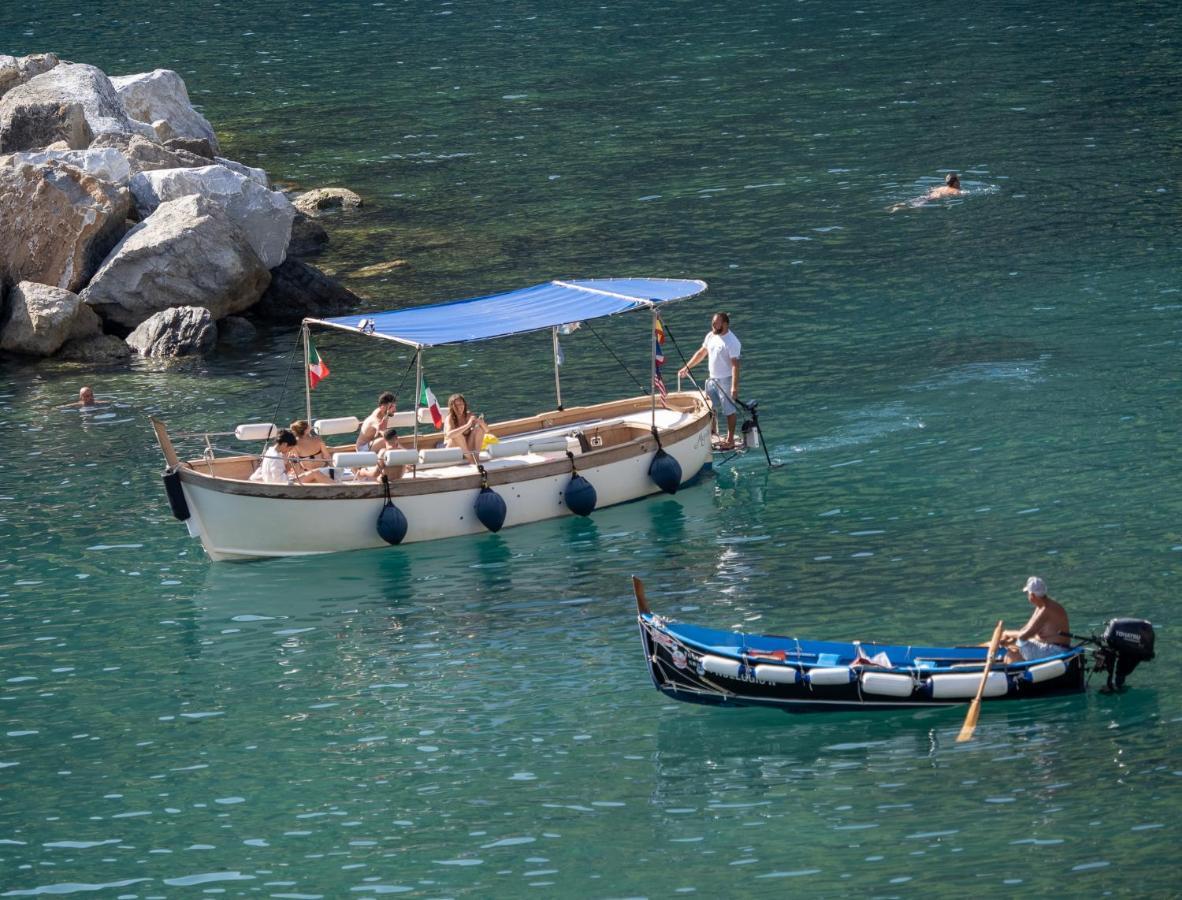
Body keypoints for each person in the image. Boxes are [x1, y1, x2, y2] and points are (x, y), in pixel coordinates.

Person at [677, 312, 742, 450]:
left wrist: (734, 387)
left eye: (716, 322)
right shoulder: (711, 336)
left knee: (729, 410)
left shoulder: (732, 341)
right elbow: (701, 352)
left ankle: (730, 440)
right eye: (712, 322)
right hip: (712, 379)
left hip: (726, 380)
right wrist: (687, 367)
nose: (713, 324)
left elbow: (735, 365)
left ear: (724, 324)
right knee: (709, 408)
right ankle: (713, 433)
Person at [1000, 576, 1071, 663]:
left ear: (1032, 595)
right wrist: (1011, 639)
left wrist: (1006, 632)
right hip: (1050, 646)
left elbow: (1024, 636)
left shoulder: (1045, 610)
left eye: (1028, 594)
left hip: (1055, 651)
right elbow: (1025, 629)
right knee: (1015, 645)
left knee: (1012, 654)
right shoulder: (1041, 607)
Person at [250, 429, 332, 485]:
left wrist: (291, 464)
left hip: (279, 481)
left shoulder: (270, 451)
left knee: (310, 474)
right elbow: (279, 481)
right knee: (315, 473)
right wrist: (293, 470)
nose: (289, 451)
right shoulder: (276, 458)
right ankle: (338, 487)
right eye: (290, 448)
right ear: (285, 444)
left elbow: (278, 472)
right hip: (284, 485)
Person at [444, 393, 487, 464]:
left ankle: (476, 457)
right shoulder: (449, 418)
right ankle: (471, 460)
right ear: (452, 407)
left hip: (467, 449)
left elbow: (486, 430)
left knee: (479, 429)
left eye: (461, 404)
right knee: (457, 435)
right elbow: (449, 435)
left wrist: (481, 423)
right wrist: (468, 425)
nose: (459, 407)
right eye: (456, 405)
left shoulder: (468, 415)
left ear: (464, 404)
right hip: (453, 450)